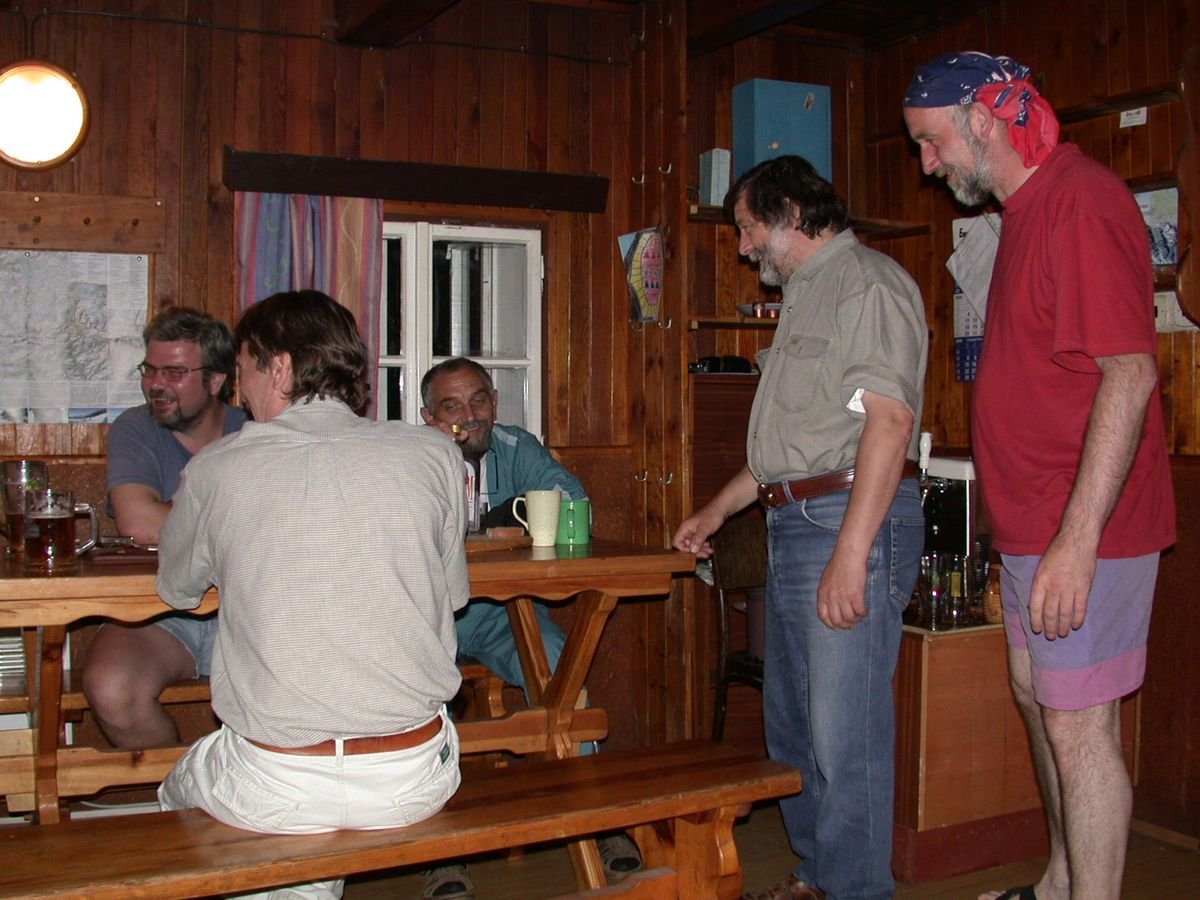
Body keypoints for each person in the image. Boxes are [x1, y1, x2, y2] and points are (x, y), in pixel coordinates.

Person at [903, 52, 1176, 900]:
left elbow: (1129, 375)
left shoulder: (1081, 201)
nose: (927, 164)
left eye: (932, 141)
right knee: (1039, 701)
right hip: (1033, 527)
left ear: (984, 119)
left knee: (1079, 726)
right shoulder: (1022, 212)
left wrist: (1076, 541)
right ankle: (1060, 884)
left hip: (1086, 526)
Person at [672, 155, 927, 900]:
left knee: (845, 733)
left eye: (748, 228)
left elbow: (890, 423)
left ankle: (855, 890)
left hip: (847, 523)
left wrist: (852, 554)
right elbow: (792, 450)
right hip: (794, 523)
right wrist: (717, 509)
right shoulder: (806, 296)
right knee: (792, 728)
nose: (744, 247)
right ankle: (822, 876)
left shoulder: (868, 285)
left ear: (789, 215)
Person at [157, 289, 467, 900]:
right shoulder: (434, 452)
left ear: (279, 367)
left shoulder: (217, 467)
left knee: (176, 788)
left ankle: (300, 882)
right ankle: (309, 880)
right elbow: (453, 594)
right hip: (414, 777)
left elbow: (178, 589)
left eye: (242, 370)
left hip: (276, 782)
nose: (235, 391)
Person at [418, 357, 641, 899]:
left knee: (561, 665)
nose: (469, 416)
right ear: (429, 418)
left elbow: (573, 502)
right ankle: (441, 849)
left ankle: (596, 819)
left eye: (478, 400)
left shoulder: (516, 447)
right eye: (451, 406)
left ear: (495, 403)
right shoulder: (410, 458)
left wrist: (504, 518)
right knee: (420, 702)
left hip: (500, 611)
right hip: (425, 619)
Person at [83, 307, 248, 748]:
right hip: (156, 611)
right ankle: (178, 785)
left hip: (247, 609)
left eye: (174, 372)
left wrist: (177, 512)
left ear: (216, 381)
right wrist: (233, 517)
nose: (156, 384)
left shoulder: (254, 431)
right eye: (150, 370)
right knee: (111, 686)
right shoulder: (134, 428)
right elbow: (140, 524)